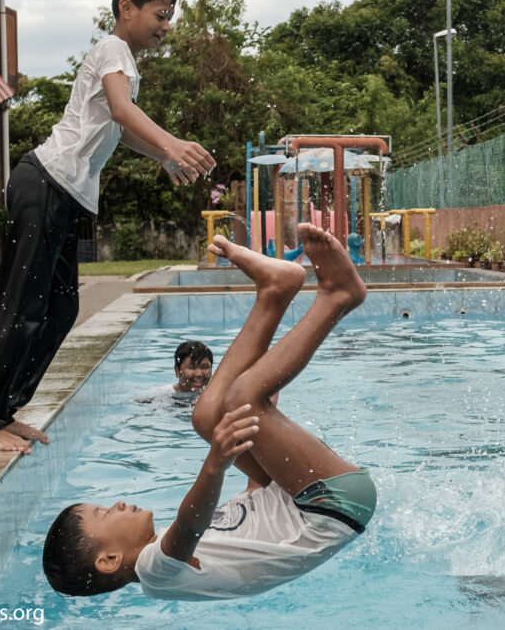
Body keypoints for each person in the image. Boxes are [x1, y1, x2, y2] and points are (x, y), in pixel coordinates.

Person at [42, 223, 377, 600]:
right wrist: (215, 463)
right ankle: (338, 296)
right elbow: (190, 523)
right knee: (239, 400)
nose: (116, 504)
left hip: (302, 497)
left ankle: (275, 291)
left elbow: (259, 512)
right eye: (105, 514)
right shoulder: (156, 573)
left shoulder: (174, 559)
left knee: (207, 415)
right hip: (331, 507)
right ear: (108, 560)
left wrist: (263, 426)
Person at [0, 0, 216, 453]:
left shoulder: (123, 59)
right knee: (23, 307)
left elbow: (121, 127)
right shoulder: (113, 48)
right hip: (45, 182)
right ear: (126, 8)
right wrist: (172, 142)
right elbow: (121, 109)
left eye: (169, 16)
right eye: (160, 15)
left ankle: (3, 412)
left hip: (63, 192)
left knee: (61, 309)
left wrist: (162, 155)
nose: (166, 25)